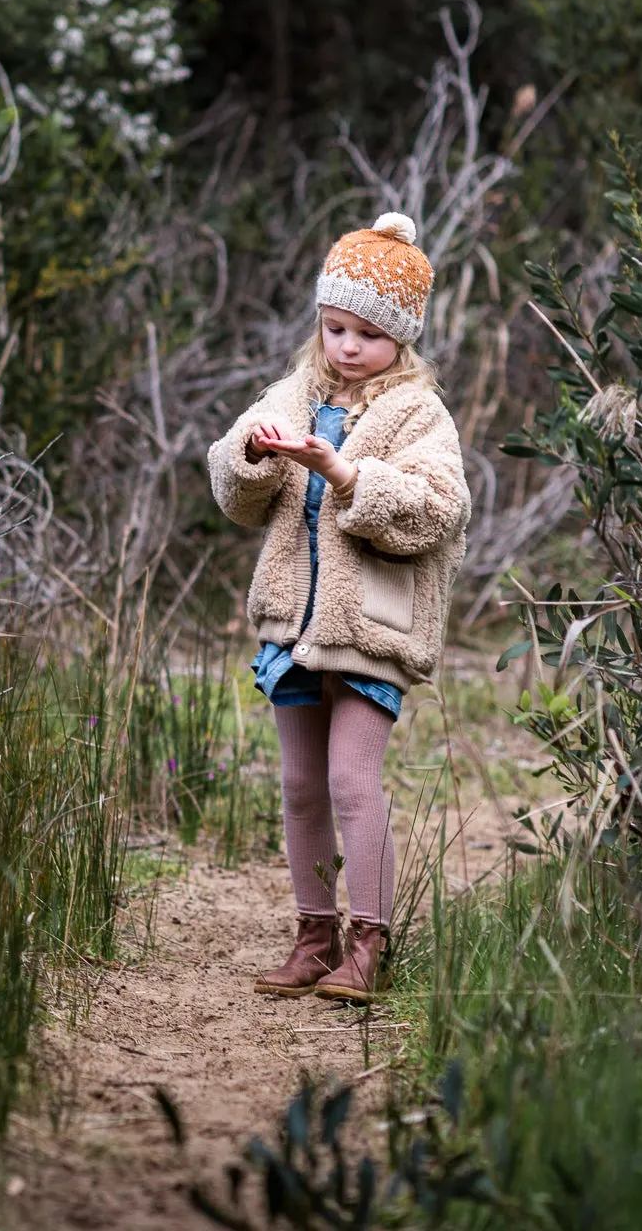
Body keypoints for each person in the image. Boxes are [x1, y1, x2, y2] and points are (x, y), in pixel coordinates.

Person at [206, 212, 470, 1002]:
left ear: (403, 339)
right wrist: (254, 457)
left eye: (368, 334)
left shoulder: (419, 414)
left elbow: (438, 509)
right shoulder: (292, 393)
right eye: (335, 329)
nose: (348, 347)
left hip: (370, 629)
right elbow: (233, 488)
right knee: (299, 784)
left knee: (353, 781)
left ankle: (371, 942)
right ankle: (313, 934)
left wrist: (347, 474)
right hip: (294, 622)